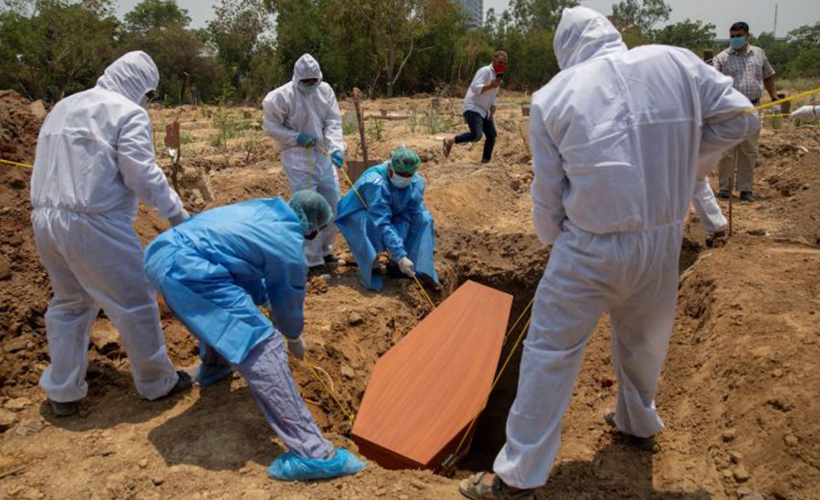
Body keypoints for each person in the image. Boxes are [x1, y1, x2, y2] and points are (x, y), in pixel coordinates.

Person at [458, 7, 759, 499]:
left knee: (550, 354)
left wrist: (557, 243)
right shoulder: (676, 62)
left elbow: (547, 193)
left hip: (590, 244)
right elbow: (743, 120)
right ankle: (637, 422)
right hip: (662, 240)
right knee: (645, 340)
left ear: (566, 50)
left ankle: (515, 477)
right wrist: (685, 161)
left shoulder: (554, 96)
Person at [143, 191, 365, 481]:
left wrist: (264, 297)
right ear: (314, 228)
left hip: (162, 253)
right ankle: (314, 454)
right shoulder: (288, 244)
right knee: (263, 342)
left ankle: (215, 366)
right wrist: (293, 335)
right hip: (188, 268)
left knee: (226, 308)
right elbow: (289, 299)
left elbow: (242, 267)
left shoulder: (264, 210)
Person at [30, 51, 192, 418]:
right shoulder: (127, 112)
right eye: (149, 94)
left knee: (69, 303)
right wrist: (176, 214)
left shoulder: (63, 106)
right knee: (134, 301)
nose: (146, 102)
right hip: (94, 220)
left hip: (45, 218)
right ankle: (156, 382)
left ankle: (63, 389)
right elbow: (141, 173)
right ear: (140, 86)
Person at [263, 54, 344, 275]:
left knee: (332, 204)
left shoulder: (325, 91)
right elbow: (271, 127)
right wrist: (296, 137)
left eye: (313, 81)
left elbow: (333, 121)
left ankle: (326, 250)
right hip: (297, 159)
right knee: (308, 209)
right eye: (305, 82)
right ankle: (311, 260)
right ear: (297, 78)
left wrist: (336, 147)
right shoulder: (279, 97)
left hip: (323, 157)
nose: (310, 85)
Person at [335, 148, 439, 292]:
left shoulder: (416, 182)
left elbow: (408, 214)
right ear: (390, 169)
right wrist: (400, 254)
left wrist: (398, 250)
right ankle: (371, 267)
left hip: (393, 213)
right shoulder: (374, 183)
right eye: (401, 174)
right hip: (362, 214)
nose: (405, 178)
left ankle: (404, 265)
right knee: (364, 221)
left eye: (409, 175)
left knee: (424, 218)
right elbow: (381, 221)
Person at [713, 21, 778, 202]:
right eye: (732, 36)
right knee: (727, 150)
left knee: (749, 150)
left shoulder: (759, 54)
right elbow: (712, 77)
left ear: (747, 35)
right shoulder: (722, 57)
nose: (735, 39)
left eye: (738, 35)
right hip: (730, 109)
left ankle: (745, 189)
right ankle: (724, 188)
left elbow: (768, 75)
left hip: (753, 107)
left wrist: (774, 96)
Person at [443, 51, 508, 164]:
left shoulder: (498, 76)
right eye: (499, 61)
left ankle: (485, 162)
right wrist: (490, 85)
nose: (501, 64)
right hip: (473, 107)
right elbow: (475, 88)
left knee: (492, 135)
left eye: (503, 63)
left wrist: (493, 105)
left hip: (485, 111)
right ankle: (450, 141)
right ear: (494, 59)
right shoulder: (485, 71)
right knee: (477, 135)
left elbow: (493, 94)